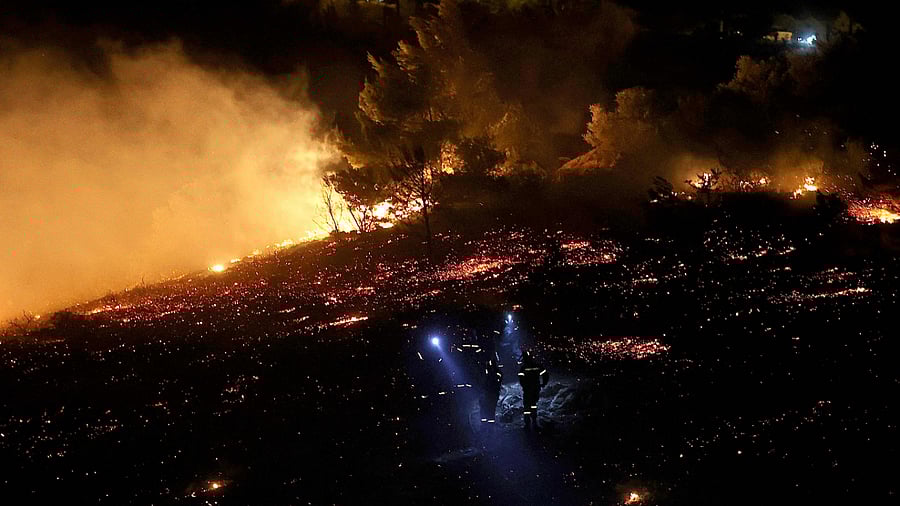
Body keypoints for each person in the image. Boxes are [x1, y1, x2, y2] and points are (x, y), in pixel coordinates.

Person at [518, 351, 549, 430]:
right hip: (535, 389)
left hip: (528, 389)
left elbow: (521, 379)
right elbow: (545, 374)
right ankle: (534, 421)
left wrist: (524, 386)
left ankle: (527, 423)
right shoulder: (537, 366)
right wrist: (543, 384)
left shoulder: (523, 367)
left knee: (527, 406)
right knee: (533, 404)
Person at [479, 351, 503, 425]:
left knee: (485, 409)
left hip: (488, 394)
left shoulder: (490, 374)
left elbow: (484, 382)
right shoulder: (496, 374)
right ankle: (489, 426)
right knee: (491, 410)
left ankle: (485, 426)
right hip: (492, 394)